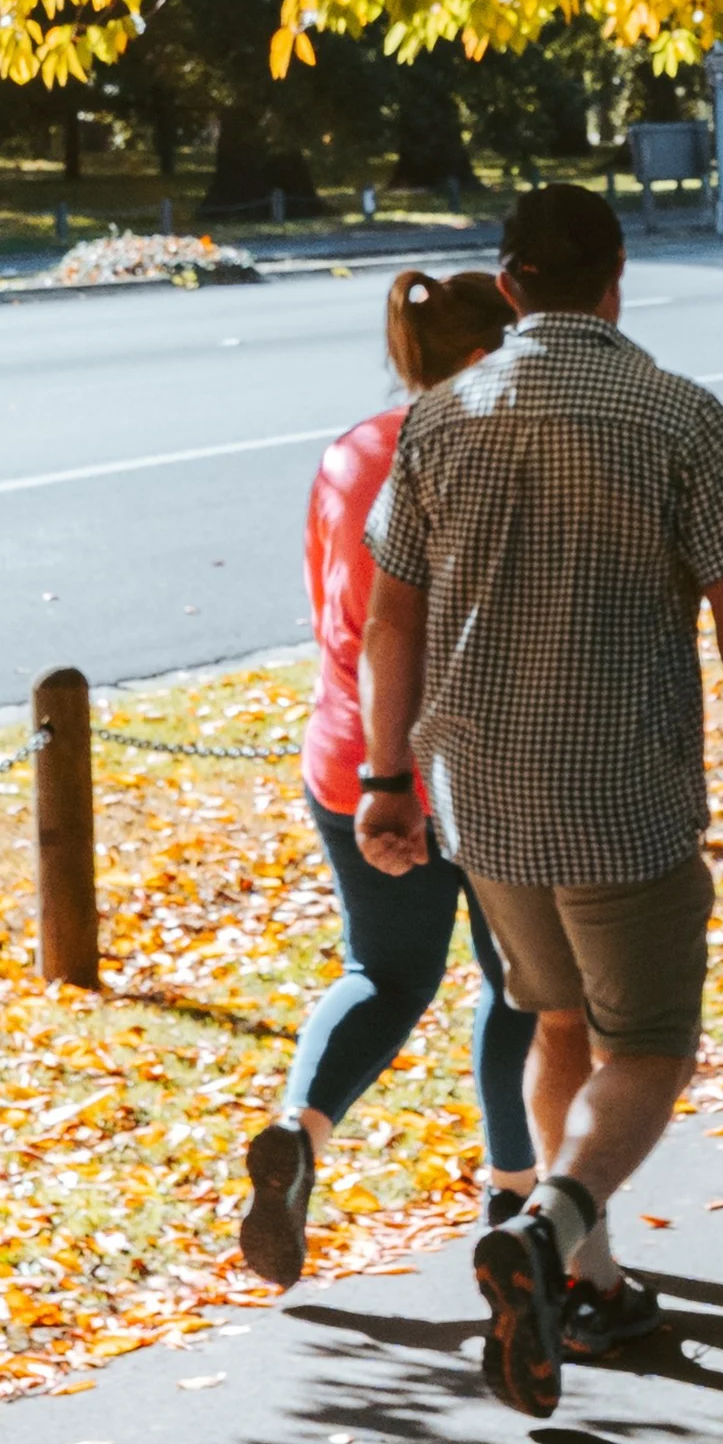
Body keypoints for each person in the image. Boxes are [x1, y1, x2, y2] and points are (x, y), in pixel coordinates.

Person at [359, 180, 723, 1421]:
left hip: (484, 796)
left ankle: (584, 1280)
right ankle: (551, 1225)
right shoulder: (675, 412)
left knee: (554, 1022)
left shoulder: (439, 420)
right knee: (648, 1041)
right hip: (623, 791)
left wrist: (387, 777)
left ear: (507, 286)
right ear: (619, 277)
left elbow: (390, 617)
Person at [238, 269, 540, 1288]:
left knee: (386, 971)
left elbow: (336, 607)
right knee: (518, 986)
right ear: (473, 357)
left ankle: (300, 1132)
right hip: (465, 770)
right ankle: (511, 1194)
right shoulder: (487, 459)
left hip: (347, 757)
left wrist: (375, 769)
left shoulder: (350, 451)